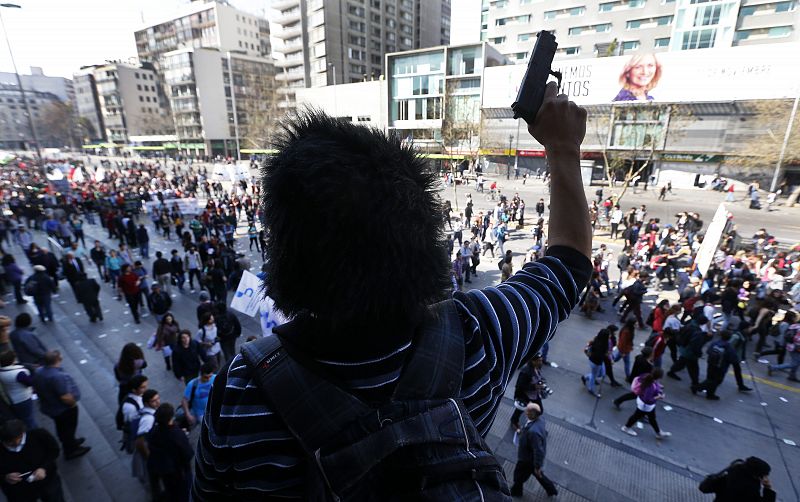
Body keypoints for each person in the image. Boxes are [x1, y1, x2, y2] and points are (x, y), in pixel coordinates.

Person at [194, 93, 592, 499]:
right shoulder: (480, 332)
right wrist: (562, 148)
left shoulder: (241, 394)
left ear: (285, 252)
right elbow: (567, 267)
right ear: (422, 234)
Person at [31, 351, 91, 460]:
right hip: (64, 409)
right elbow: (65, 397)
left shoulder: (39, 371)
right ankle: (71, 449)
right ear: (58, 359)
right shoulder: (57, 376)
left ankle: (71, 441)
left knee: (62, 427)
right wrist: (72, 404)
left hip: (50, 407)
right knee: (68, 429)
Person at [0, 420, 65, 502]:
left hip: (48, 481)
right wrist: (5, 477)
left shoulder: (39, 434)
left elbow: (54, 451)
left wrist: (43, 468)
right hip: (19, 491)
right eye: (10, 443)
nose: (16, 443)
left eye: (19, 439)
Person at [146, 403, 193, 502]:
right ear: (171, 417)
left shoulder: (154, 430)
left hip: (164, 470)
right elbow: (188, 453)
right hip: (179, 471)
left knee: (171, 492)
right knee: (184, 494)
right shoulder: (176, 433)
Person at [509, 403, 558, 498]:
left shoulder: (533, 432)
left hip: (527, 459)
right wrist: (522, 431)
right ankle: (551, 489)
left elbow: (538, 450)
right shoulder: (540, 420)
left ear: (534, 414)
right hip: (531, 459)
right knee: (537, 474)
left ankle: (516, 492)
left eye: (528, 411)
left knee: (518, 476)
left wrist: (537, 465)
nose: (526, 413)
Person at [620, 368, 671, 439]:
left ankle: (658, 432)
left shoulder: (647, 376)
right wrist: (659, 397)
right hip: (645, 405)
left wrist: (658, 390)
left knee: (651, 418)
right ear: (659, 377)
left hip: (644, 403)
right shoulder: (651, 386)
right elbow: (647, 399)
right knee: (636, 416)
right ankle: (626, 428)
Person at [700, 456, 776, 502]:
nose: (766, 478)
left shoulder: (728, 475)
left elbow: (704, 488)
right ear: (756, 475)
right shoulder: (751, 491)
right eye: (764, 476)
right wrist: (768, 488)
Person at [693, 330, 738, 400]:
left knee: (710, 379)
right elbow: (733, 358)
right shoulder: (729, 347)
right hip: (720, 367)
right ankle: (698, 388)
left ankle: (709, 394)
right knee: (716, 381)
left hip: (711, 363)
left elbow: (708, 351)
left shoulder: (715, 343)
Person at [0, 350, 37, 429]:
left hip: (12, 398)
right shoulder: (19, 373)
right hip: (23, 399)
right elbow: (30, 383)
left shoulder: (2, 371)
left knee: (25, 418)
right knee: (29, 419)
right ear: (12, 360)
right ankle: (34, 434)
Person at [132, 389, 160, 490]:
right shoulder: (149, 419)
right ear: (146, 403)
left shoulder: (143, 412)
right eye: (154, 401)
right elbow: (140, 441)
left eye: (158, 399)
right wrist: (149, 457)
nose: (158, 402)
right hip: (148, 451)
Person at [510, 354, 546, 431]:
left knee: (540, 410)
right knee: (519, 410)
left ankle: (532, 423)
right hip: (525, 396)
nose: (541, 362)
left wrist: (541, 383)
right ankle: (514, 422)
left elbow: (537, 377)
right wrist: (534, 387)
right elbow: (520, 385)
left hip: (535, 395)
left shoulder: (536, 368)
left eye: (541, 360)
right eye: (539, 360)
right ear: (533, 361)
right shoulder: (525, 372)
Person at [181, 362, 216, 429]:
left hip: (214, 409)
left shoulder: (215, 378)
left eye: (210, 376)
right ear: (200, 374)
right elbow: (184, 400)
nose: (208, 379)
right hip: (201, 413)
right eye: (206, 377)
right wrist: (188, 414)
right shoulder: (192, 384)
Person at [582, 328, 610, 398]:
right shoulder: (602, 345)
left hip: (594, 360)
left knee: (601, 374)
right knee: (595, 376)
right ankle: (590, 388)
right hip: (596, 362)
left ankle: (586, 377)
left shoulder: (597, 339)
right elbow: (599, 355)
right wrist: (606, 354)